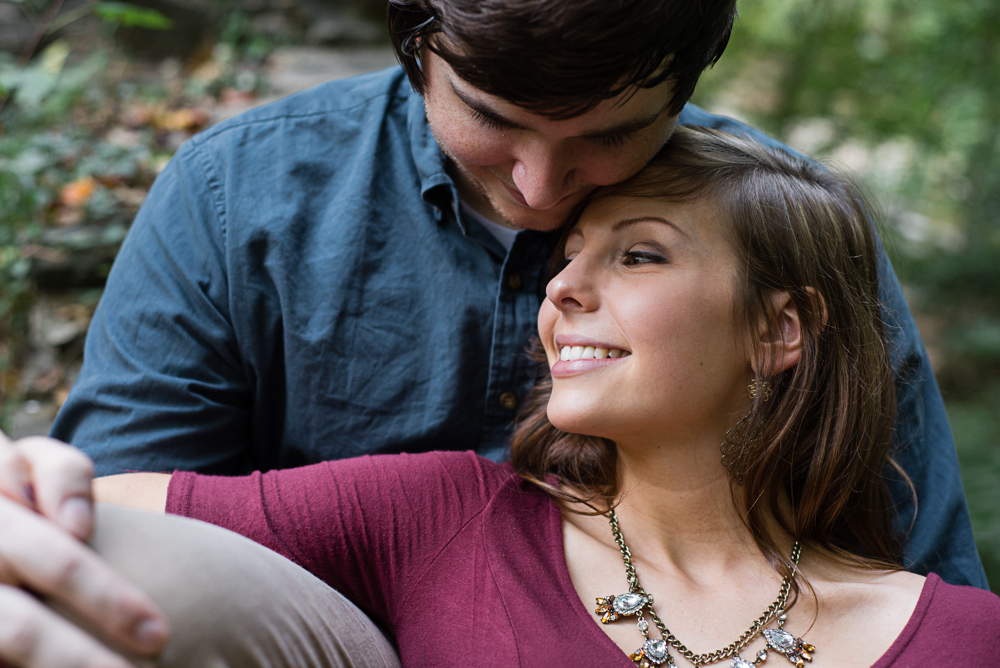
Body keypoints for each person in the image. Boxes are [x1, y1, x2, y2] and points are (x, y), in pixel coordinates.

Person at [0, 0, 987, 664]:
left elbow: (913, 572)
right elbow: (110, 527)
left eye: (608, 135)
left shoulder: (776, 227)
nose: (540, 189)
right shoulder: (237, 197)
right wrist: (35, 487)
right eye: (491, 117)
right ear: (418, 45)